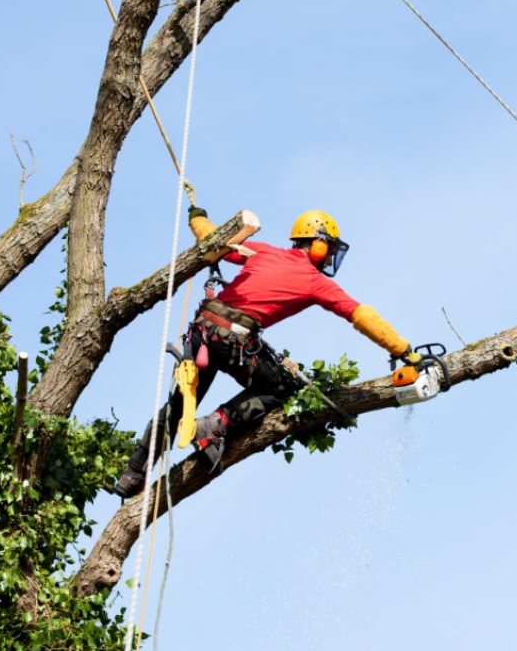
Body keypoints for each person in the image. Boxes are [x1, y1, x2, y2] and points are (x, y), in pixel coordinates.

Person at [111, 207, 421, 498]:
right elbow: (361, 315)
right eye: (329, 252)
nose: (328, 262)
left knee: (178, 407)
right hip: (233, 342)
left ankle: (133, 473)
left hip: (202, 333)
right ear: (319, 246)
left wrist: (198, 217)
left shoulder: (263, 251)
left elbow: (213, 236)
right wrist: (403, 349)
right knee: (281, 389)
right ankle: (214, 425)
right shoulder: (314, 282)